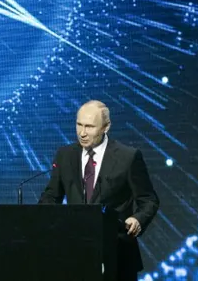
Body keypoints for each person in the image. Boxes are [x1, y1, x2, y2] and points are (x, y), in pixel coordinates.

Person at [39, 100, 160, 281]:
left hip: (117, 254)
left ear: (106, 127)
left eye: (89, 126)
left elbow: (149, 200)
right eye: (79, 124)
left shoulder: (128, 157)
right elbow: (51, 196)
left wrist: (137, 219)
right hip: (74, 253)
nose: (82, 133)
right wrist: (47, 221)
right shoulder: (65, 155)